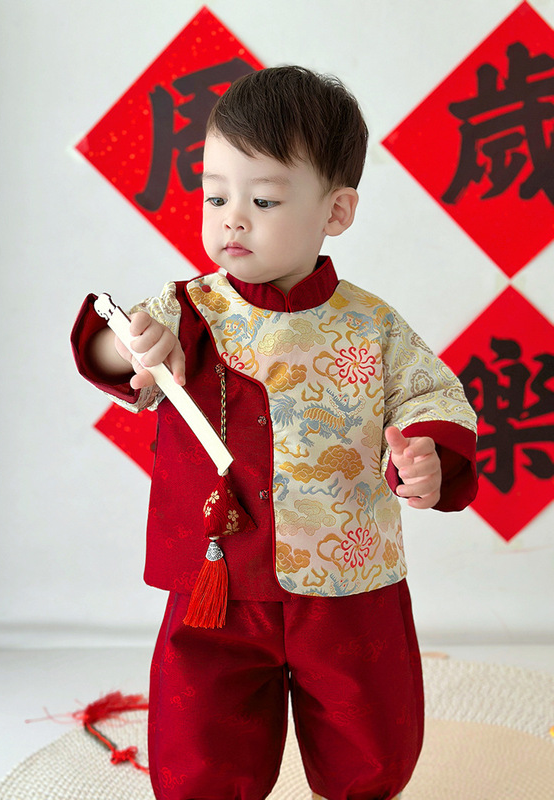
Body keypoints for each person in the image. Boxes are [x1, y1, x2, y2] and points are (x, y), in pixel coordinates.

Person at [72, 66, 477, 800]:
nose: (232, 219)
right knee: (201, 739)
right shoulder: (185, 309)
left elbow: (432, 394)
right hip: (217, 581)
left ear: (336, 211)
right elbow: (112, 346)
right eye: (215, 196)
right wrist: (130, 345)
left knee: (371, 735)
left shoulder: (372, 325)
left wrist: (428, 456)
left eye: (262, 200)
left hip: (347, 576)